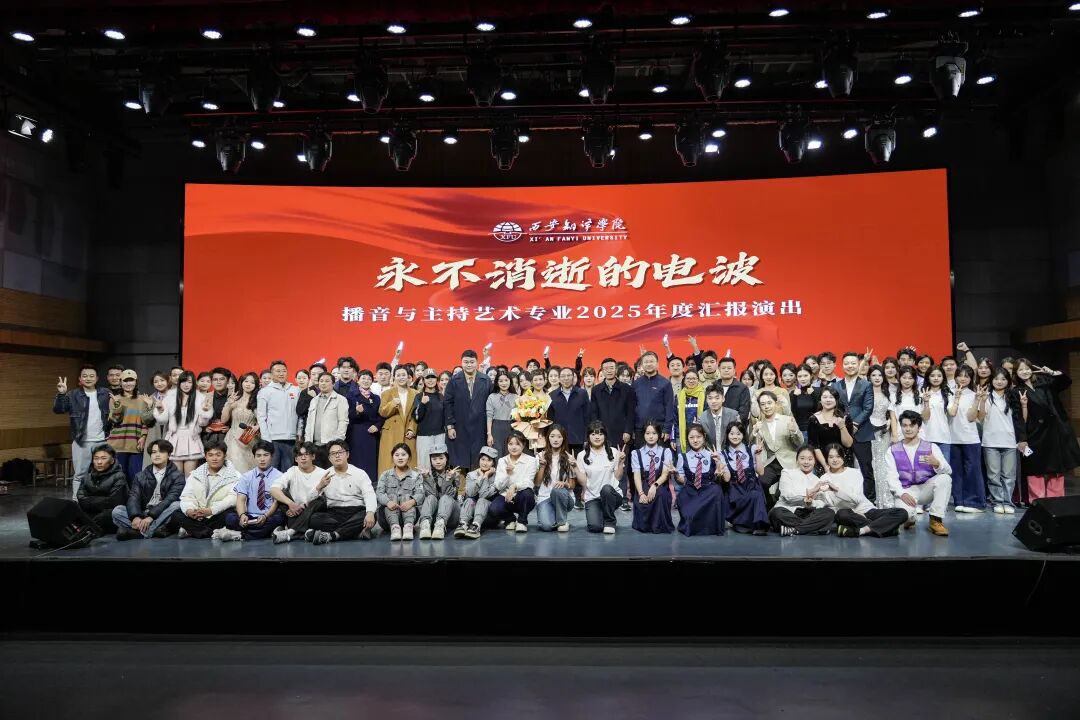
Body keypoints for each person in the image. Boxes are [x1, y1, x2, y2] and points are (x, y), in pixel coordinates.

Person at [1009, 359, 1080, 503]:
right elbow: (1017, 418)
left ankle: (1056, 502)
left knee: (1057, 470)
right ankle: (1038, 504)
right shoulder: (1016, 391)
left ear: (1032, 369)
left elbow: (1066, 382)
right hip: (1034, 435)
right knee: (1035, 471)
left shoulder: (1045, 382)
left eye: (1027, 368)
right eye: (1021, 369)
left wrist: (1053, 373)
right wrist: (1022, 439)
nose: (1025, 372)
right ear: (1016, 373)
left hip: (1055, 432)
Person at [883, 411, 952, 537]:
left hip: (926, 488)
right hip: (906, 491)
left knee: (945, 479)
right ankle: (911, 518)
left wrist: (937, 464)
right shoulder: (892, 450)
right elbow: (891, 477)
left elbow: (949, 471)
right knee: (904, 515)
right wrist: (901, 493)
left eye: (912, 425)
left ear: (919, 427)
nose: (908, 429)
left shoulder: (931, 447)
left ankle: (935, 519)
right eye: (904, 425)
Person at [819, 443, 910, 538]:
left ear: (843, 456)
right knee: (841, 514)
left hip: (866, 510)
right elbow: (830, 505)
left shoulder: (854, 473)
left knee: (902, 513)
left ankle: (861, 530)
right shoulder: (824, 479)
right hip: (849, 515)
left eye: (838, 456)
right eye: (831, 457)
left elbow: (857, 500)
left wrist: (836, 490)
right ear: (826, 459)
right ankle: (886, 528)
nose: (835, 460)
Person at [53, 365, 112, 499]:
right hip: (81, 441)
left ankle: (99, 500)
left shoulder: (105, 393)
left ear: (97, 378)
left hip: (102, 440)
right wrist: (61, 394)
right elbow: (59, 410)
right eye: (85, 376)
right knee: (80, 473)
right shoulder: (73, 394)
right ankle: (77, 501)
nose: (88, 378)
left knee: (103, 473)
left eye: (91, 376)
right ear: (80, 379)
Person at [304, 440, 378, 545]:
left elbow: (369, 494)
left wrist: (370, 513)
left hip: (356, 511)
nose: (337, 456)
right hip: (334, 513)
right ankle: (353, 532)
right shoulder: (324, 475)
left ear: (347, 454)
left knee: (372, 515)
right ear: (329, 458)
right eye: (333, 453)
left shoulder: (360, 473)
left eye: (340, 452)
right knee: (314, 519)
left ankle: (332, 535)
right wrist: (319, 486)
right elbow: (308, 499)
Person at [112, 439, 184, 540]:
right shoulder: (141, 475)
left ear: (168, 455)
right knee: (117, 511)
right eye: (154, 452)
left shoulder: (178, 476)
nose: (157, 455)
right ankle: (152, 530)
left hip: (162, 513)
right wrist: (135, 517)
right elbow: (133, 497)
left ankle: (141, 533)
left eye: (161, 452)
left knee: (177, 505)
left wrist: (151, 517)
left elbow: (170, 499)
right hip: (143, 513)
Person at [215, 440, 286, 541]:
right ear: (254, 457)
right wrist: (242, 515)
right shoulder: (246, 476)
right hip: (250, 516)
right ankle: (264, 533)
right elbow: (241, 499)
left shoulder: (280, 477)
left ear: (272, 456)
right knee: (229, 517)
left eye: (266, 455)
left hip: (269, 516)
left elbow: (276, 502)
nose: (262, 459)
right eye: (258, 456)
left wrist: (265, 516)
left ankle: (239, 534)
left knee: (280, 518)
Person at [631, 351, 675, 510]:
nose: (649, 364)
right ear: (642, 365)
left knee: (661, 467)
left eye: (651, 361)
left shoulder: (665, 383)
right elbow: (632, 407)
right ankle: (641, 496)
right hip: (640, 430)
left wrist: (667, 428)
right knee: (640, 466)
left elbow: (669, 407)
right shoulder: (636, 383)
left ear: (657, 363)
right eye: (646, 361)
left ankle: (661, 497)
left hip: (660, 431)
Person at [831, 351, 876, 503]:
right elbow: (835, 407)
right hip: (841, 431)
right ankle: (845, 500)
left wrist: (855, 424)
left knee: (866, 468)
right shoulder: (836, 385)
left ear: (858, 365)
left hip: (862, 432)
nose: (850, 366)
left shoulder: (866, 384)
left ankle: (870, 501)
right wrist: (844, 426)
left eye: (853, 363)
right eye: (846, 363)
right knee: (844, 468)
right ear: (842, 366)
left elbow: (868, 408)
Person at [590, 357, 635, 508]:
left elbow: (631, 412)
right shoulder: (596, 390)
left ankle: (622, 498)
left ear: (616, 369)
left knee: (621, 465)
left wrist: (628, 431)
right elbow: (594, 413)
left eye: (611, 367)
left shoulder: (627, 389)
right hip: (602, 435)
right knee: (603, 466)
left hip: (622, 434)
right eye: (606, 368)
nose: (609, 370)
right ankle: (602, 496)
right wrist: (596, 432)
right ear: (602, 371)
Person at [152, 371, 212, 476]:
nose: (186, 385)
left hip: (192, 439)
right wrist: (160, 409)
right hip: (174, 439)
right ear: (179, 383)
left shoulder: (200, 398)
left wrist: (205, 411)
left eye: (189, 382)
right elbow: (162, 420)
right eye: (183, 382)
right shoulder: (170, 397)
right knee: (176, 476)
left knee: (190, 477)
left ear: (194, 383)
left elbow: (202, 423)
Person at [768, 446, 837, 536]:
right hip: (788, 511)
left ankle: (793, 530)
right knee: (776, 513)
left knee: (829, 513)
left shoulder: (817, 480)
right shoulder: (787, 473)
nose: (806, 462)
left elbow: (821, 503)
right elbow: (787, 496)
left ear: (814, 461)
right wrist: (811, 492)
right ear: (797, 460)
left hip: (808, 513)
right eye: (802, 458)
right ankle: (815, 528)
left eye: (810, 459)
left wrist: (811, 503)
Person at [175, 441, 239, 539]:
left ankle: (192, 530)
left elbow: (232, 499)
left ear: (225, 456)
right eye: (210, 455)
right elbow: (187, 496)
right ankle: (211, 532)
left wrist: (211, 510)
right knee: (176, 514)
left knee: (229, 514)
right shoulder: (195, 474)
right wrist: (190, 510)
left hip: (216, 514)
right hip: (198, 516)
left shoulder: (235, 475)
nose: (214, 458)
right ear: (205, 457)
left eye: (218, 455)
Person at [673, 424, 728, 536]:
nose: (695, 440)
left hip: (709, 492)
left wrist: (718, 466)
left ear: (704, 436)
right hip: (690, 492)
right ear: (687, 439)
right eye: (691, 437)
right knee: (690, 517)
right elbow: (681, 481)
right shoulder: (683, 457)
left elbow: (721, 477)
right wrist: (676, 474)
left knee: (716, 490)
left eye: (698, 437)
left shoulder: (713, 455)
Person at [750, 391, 803, 507]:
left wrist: (794, 431)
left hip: (789, 462)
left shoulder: (788, 420)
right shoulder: (759, 424)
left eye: (769, 403)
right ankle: (770, 507)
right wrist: (754, 433)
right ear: (760, 407)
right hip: (771, 462)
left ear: (776, 403)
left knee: (783, 492)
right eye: (763, 404)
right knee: (760, 483)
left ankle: (780, 510)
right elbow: (754, 447)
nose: (766, 406)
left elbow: (800, 443)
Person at [269, 441, 328, 544]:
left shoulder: (323, 473)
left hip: (312, 510)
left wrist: (303, 506)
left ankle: (291, 532)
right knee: (282, 494)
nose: (303, 458)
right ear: (296, 459)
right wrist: (291, 504)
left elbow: (325, 500)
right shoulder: (292, 471)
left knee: (320, 500)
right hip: (294, 510)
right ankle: (304, 533)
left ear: (313, 456)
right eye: (300, 455)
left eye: (306, 454)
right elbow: (273, 489)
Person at [444, 349, 493, 470]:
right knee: (460, 461)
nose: (469, 365)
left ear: (477, 362)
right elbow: (448, 404)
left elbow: (491, 403)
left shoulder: (485, 380)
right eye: (466, 362)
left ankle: (477, 481)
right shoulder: (454, 380)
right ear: (461, 362)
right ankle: (460, 482)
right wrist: (450, 426)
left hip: (480, 427)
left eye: (472, 362)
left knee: (478, 459)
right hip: (460, 426)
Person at [719, 420, 770, 534]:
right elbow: (726, 479)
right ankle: (741, 523)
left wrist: (758, 456)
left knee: (755, 495)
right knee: (741, 497)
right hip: (735, 488)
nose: (735, 436)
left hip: (751, 485)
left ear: (743, 435)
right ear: (727, 435)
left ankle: (760, 525)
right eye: (732, 433)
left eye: (738, 433)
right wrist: (719, 464)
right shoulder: (722, 454)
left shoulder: (752, 449)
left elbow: (761, 472)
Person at [947, 366, 986, 513]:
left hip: (970, 438)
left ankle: (976, 503)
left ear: (971, 379)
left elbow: (972, 417)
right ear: (955, 376)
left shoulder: (974, 394)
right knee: (956, 471)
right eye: (960, 375)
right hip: (952, 438)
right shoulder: (949, 392)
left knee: (972, 470)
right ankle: (959, 500)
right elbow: (950, 413)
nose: (963, 378)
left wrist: (977, 400)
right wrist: (956, 397)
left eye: (967, 376)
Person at [978, 369, 1017, 514]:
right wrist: (982, 401)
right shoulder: (987, 396)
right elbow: (980, 417)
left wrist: (1024, 404)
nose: (999, 382)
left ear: (1008, 381)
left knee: (1009, 475)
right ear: (991, 380)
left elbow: (1021, 419)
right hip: (990, 442)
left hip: (1010, 441)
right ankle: (997, 501)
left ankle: (1008, 502)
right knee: (993, 475)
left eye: (1003, 379)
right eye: (996, 379)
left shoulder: (1012, 397)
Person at [576, 421, 626, 534]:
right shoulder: (581, 455)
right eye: (593, 434)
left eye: (600, 434)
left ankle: (610, 522)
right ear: (588, 437)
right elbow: (583, 482)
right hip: (593, 498)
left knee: (606, 489)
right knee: (595, 527)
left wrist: (621, 462)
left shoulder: (613, 452)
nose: (597, 437)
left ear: (605, 436)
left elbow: (618, 477)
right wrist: (575, 467)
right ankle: (603, 512)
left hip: (612, 495)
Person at [106, 369, 154, 481]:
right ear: (121, 382)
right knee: (118, 478)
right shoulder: (115, 399)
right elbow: (114, 420)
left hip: (136, 443)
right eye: (125, 381)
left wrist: (143, 436)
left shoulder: (143, 399)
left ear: (136, 382)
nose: (128, 383)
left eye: (131, 380)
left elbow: (146, 421)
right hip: (118, 444)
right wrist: (117, 405)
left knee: (136, 477)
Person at [630, 420, 675, 534]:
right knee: (643, 501)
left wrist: (655, 486)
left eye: (654, 433)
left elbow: (665, 474)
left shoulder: (666, 451)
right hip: (643, 484)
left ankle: (659, 526)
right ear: (644, 435)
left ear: (659, 435)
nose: (651, 436)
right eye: (648, 433)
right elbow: (636, 475)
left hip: (659, 483)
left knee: (660, 494)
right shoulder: (636, 453)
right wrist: (641, 493)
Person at [490, 430, 539, 532]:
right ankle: (510, 520)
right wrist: (507, 474)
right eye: (510, 444)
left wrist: (514, 486)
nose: (513, 447)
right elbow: (498, 485)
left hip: (522, 496)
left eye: (517, 444)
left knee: (527, 494)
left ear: (523, 445)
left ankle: (522, 521)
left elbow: (529, 482)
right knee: (494, 509)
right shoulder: (502, 461)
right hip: (506, 496)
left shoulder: (531, 460)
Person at [256, 359, 300, 473]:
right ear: (271, 374)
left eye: (284, 371)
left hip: (291, 439)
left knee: (288, 472)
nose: (281, 373)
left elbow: (300, 414)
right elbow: (261, 417)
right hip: (273, 439)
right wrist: (266, 438)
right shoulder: (265, 392)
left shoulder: (295, 390)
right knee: (272, 471)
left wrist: (299, 433)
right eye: (278, 371)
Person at [376, 443, 424, 541]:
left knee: (406, 498)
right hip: (387, 520)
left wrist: (411, 502)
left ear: (409, 457)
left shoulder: (416, 476)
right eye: (397, 455)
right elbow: (379, 493)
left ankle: (408, 528)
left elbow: (421, 494)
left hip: (410, 517)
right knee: (392, 497)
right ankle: (395, 528)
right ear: (392, 457)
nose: (400, 458)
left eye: (404, 454)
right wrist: (388, 502)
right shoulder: (385, 475)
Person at [76, 444, 128, 534]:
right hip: (91, 511)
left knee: (107, 515)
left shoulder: (119, 476)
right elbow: (81, 498)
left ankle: (89, 530)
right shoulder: (87, 476)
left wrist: (90, 499)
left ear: (112, 461)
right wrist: (102, 500)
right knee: (73, 508)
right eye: (96, 458)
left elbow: (115, 501)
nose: (99, 462)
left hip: (107, 513)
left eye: (104, 458)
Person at [535, 425, 578, 532]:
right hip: (545, 497)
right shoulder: (540, 456)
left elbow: (572, 485)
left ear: (563, 439)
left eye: (559, 437)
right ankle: (555, 516)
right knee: (546, 526)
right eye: (552, 436)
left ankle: (562, 522)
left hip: (564, 497)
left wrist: (565, 484)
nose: (555, 439)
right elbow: (537, 483)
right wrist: (542, 467)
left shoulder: (569, 457)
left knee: (557, 490)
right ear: (548, 438)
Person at [417, 443, 463, 540]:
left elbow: (449, 497)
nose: (438, 462)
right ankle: (425, 525)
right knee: (430, 497)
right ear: (430, 460)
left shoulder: (454, 474)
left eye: (441, 458)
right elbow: (431, 496)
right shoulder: (427, 474)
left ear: (446, 459)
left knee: (445, 498)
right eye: (434, 459)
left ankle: (440, 526)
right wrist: (427, 478)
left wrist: (448, 479)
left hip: (451, 516)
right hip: (433, 516)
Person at [378, 366, 418, 475]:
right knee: (388, 463)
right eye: (398, 375)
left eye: (403, 375)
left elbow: (417, 414)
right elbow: (382, 412)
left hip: (408, 433)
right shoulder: (387, 393)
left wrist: (412, 428)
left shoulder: (415, 393)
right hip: (391, 433)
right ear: (394, 377)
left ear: (408, 377)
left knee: (409, 461)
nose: (401, 377)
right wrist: (392, 404)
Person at [303, 371, 350, 467]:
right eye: (321, 381)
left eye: (327, 381)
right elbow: (309, 422)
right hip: (313, 445)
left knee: (332, 472)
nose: (323, 383)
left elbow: (343, 421)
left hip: (331, 445)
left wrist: (337, 443)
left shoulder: (340, 399)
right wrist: (307, 441)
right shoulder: (314, 400)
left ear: (333, 384)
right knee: (316, 473)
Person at [454, 446, 500, 539]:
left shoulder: (498, 477)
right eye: (483, 459)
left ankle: (476, 526)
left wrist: (486, 476)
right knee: (469, 500)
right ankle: (463, 524)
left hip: (489, 516)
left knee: (482, 500)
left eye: (489, 460)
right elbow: (470, 493)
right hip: (472, 514)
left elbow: (484, 495)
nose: (485, 463)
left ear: (493, 463)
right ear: (479, 460)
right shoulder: (471, 475)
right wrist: (480, 478)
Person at [346, 369, 383, 480]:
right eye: (363, 378)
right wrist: (357, 412)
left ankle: (372, 485)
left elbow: (381, 416)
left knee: (371, 462)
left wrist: (377, 426)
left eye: (369, 379)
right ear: (358, 380)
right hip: (356, 433)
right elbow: (346, 415)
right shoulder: (351, 395)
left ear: (372, 381)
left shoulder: (376, 398)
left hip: (372, 434)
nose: (366, 381)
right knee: (357, 461)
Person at [866, 365, 894, 508]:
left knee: (883, 465)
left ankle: (884, 500)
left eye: (879, 375)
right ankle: (871, 499)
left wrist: (889, 421)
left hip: (884, 433)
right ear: (869, 377)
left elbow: (893, 412)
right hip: (868, 432)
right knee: (870, 465)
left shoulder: (888, 393)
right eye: (873, 375)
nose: (877, 378)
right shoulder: (865, 392)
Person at [547, 366, 590, 458]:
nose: (566, 378)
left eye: (568, 375)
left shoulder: (582, 393)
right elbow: (550, 419)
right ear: (559, 378)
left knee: (578, 464)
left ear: (573, 377)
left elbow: (587, 417)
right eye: (563, 376)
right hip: (559, 440)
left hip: (578, 439)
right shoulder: (552, 395)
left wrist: (586, 437)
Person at [807, 387, 854, 470]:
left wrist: (842, 426)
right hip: (823, 462)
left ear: (836, 400)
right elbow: (815, 447)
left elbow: (848, 444)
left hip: (844, 461)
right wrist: (825, 466)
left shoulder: (845, 417)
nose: (828, 400)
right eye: (825, 397)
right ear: (820, 400)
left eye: (831, 397)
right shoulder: (813, 419)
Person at [222, 371, 259, 473]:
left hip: (249, 438)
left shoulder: (258, 400)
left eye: (252, 382)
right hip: (233, 437)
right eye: (246, 381)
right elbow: (224, 420)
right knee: (234, 467)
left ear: (256, 385)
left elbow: (262, 420)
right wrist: (229, 405)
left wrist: (257, 427)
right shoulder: (234, 398)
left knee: (249, 469)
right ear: (241, 382)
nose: (248, 384)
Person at [920, 366, 953, 474]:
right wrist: (926, 401)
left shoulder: (947, 393)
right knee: (925, 472)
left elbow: (952, 413)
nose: (936, 378)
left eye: (939, 376)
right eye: (932, 375)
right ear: (928, 377)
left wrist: (957, 399)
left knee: (944, 470)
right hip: (926, 437)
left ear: (943, 378)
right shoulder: (921, 393)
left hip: (943, 437)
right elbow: (925, 417)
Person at [415, 370, 448, 471]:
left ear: (436, 379)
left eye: (433, 377)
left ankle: (441, 482)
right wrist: (422, 404)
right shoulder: (419, 396)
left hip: (440, 435)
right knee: (424, 466)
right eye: (427, 378)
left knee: (440, 464)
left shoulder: (441, 396)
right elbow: (416, 417)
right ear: (423, 380)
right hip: (424, 436)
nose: (430, 380)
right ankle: (424, 482)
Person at [142, 371, 171, 469]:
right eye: (156, 381)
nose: (159, 383)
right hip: (153, 434)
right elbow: (145, 420)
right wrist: (150, 407)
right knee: (152, 463)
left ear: (168, 381)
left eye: (162, 380)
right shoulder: (150, 398)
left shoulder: (175, 397)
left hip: (170, 433)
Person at [485, 370, 518, 457]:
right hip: (496, 429)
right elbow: (489, 416)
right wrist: (489, 434)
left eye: (506, 380)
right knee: (497, 454)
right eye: (501, 381)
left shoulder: (516, 397)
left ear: (510, 381)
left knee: (510, 454)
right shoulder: (492, 397)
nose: (504, 383)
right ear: (497, 382)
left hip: (511, 428)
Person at [673, 369, 705, 454]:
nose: (691, 381)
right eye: (688, 378)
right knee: (683, 461)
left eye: (694, 378)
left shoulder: (704, 396)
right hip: (681, 437)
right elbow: (674, 419)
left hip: (699, 437)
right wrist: (673, 438)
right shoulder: (678, 397)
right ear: (684, 380)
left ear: (698, 380)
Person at [789, 365, 820, 443]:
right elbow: (792, 413)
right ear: (796, 378)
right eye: (800, 376)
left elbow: (819, 411)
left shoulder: (818, 391)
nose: (803, 379)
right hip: (800, 431)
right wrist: (795, 396)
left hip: (816, 430)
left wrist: (813, 395)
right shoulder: (793, 393)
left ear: (811, 376)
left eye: (805, 375)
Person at [716, 356, 752, 423]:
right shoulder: (713, 386)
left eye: (729, 368)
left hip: (734, 427)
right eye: (723, 368)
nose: (726, 370)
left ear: (734, 370)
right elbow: (707, 408)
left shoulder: (743, 388)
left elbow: (744, 412)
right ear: (719, 369)